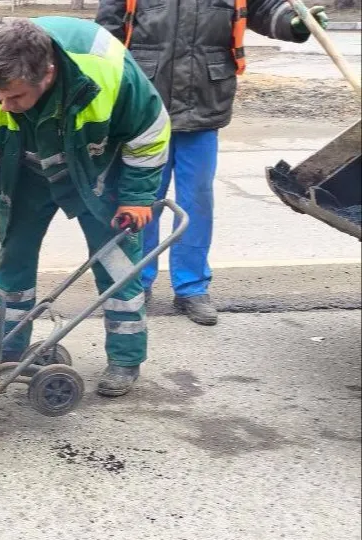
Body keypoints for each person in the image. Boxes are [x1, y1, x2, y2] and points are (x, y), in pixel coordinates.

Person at [0, 17, 171, 397]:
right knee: (14, 263)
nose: (5, 107)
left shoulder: (106, 69)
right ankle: (8, 353)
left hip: (95, 168)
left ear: (48, 74)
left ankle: (125, 358)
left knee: (118, 265)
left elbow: (150, 132)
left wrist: (137, 197)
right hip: (24, 170)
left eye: (16, 97)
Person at [95, 0, 329, 326]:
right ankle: (135, 280)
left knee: (197, 202)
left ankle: (192, 287)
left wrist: (294, 22)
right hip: (145, 106)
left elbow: (265, 9)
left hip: (204, 105)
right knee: (141, 199)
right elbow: (106, 36)